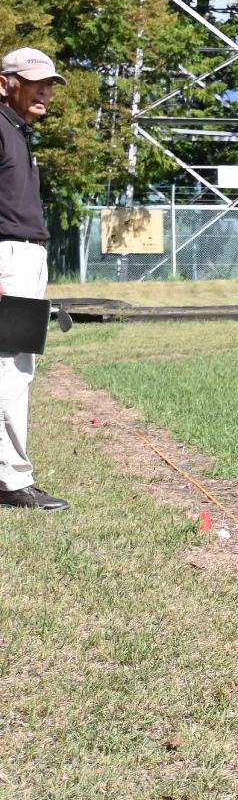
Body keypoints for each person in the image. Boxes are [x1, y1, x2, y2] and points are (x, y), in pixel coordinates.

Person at [0, 48, 69, 511]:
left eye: (49, 83)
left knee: (14, 365)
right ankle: (11, 480)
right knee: (11, 367)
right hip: (8, 257)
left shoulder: (18, 132)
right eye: (35, 81)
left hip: (23, 256)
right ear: (6, 83)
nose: (45, 90)